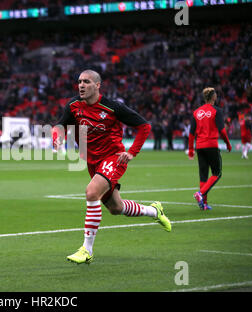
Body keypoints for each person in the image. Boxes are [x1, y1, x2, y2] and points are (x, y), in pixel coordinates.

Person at [52, 69, 171, 265]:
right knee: (116, 208)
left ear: (97, 85)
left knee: (91, 193)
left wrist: (132, 152)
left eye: (86, 82)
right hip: (93, 162)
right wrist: (57, 138)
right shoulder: (73, 105)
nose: (81, 85)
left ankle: (87, 250)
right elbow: (60, 126)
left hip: (113, 159)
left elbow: (144, 126)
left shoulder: (113, 107)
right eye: (79, 81)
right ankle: (154, 211)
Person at [188, 87, 232, 211]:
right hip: (211, 145)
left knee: (203, 176)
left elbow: (191, 134)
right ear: (213, 97)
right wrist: (228, 144)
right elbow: (222, 131)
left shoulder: (196, 112)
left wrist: (191, 150)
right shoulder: (217, 111)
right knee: (217, 173)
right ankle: (200, 194)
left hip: (200, 147)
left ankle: (204, 204)